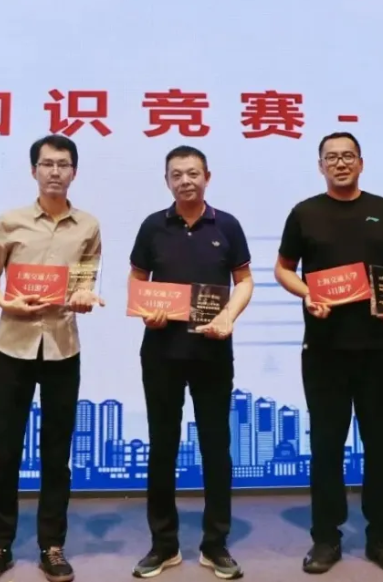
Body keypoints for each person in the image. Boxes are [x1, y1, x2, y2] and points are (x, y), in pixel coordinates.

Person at [274, 132, 383, 575]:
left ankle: (381, 537)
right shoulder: (305, 213)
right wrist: (306, 293)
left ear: (361, 162)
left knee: (381, 446)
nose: (340, 163)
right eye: (331, 157)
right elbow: (283, 268)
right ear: (320, 165)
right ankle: (325, 538)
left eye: (348, 156)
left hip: (380, 347)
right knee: (326, 446)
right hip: (325, 349)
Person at [0, 134, 103, 582]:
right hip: (13, 345)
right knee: (6, 450)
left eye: (63, 164)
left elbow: (85, 279)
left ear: (74, 172)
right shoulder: (10, 222)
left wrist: (84, 296)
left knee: (56, 452)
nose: (54, 171)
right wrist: (5, 302)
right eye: (47, 164)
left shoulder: (88, 226)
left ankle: (52, 545)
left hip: (63, 347)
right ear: (33, 171)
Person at [128, 145, 253, 580]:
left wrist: (229, 315)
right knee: (162, 447)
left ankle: (215, 545)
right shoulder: (153, 226)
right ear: (167, 181)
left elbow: (244, 280)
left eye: (193, 173)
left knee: (216, 447)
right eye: (177, 174)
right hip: (161, 352)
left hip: (212, 351)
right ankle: (163, 545)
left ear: (207, 177)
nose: (186, 180)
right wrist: (145, 309)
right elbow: (137, 279)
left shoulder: (227, 225)